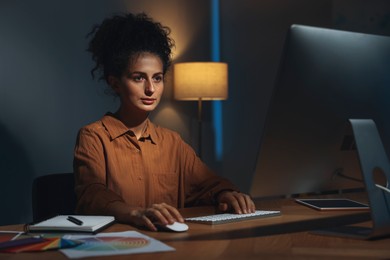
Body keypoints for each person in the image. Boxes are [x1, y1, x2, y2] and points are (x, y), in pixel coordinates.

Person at [73, 12, 255, 232]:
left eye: (157, 78)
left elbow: (209, 183)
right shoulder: (93, 136)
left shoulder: (172, 141)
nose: (150, 89)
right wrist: (135, 212)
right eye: (139, 77)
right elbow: (91, 196)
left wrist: (227, 194)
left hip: (172, 246)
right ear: (115, 84)